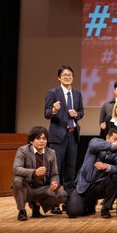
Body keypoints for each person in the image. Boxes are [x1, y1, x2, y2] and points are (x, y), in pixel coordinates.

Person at [44, 64, 84, 213]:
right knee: (56, 170)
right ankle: (54, 202)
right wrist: (54, 109)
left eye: (70, 75)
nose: (67, 77)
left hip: (72, 135)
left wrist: (77, 115)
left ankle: (68, 202)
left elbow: (81, 112)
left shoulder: (77, 94)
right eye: (64, 75)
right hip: (58, 137)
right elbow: (46, 113)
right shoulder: (53, 92)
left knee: (70, 170)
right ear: (59, 77)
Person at [66, 127, 117, 218]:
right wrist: (116, 145)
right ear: (107, 137)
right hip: (84, 184)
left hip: (100, 185)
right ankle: (90, 204)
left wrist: (107, 167)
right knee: (73, 212)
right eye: (115, 139)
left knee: (115, 178)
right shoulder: (95, 142)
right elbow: (93, 146)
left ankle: (105, 208)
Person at [11, 126, 68, 221]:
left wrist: (54, 183)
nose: (41, 141)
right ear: (31, 141)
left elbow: (54, 174)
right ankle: (22, 210)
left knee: (62, 195)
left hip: (42, 189)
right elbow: (16, 169)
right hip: (27, 189)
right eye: (38, 138)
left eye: (44, 138)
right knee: (17, 180)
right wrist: (34, 172)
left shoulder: (51, 153)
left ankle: (37, 204)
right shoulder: (23, 150)